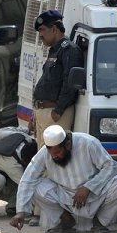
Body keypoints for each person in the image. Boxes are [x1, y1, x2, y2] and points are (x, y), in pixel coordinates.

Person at [10, 125, 117, 233]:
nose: (54, 157)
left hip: (95, 194)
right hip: (65, 197)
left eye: (57, 152)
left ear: (67, 144)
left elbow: (111, 166)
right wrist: (20, 212)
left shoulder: (88, 142)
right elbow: (27, 179)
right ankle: (65, 219)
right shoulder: (45, 153)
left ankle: (100, 222)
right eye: (51, 153)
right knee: (35, 186)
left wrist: (88, 187)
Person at [31, 10, 83, 147]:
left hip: (55, 114)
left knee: (54, 158)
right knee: (44, 161)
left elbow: (70, 83)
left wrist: (58, 110)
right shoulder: (54, 50)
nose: (40, 35)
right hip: (45, 113)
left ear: (54, 29)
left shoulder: (69, 50)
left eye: (42, 30)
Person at [0, 127, 38, 217]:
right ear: (25, 161)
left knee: (21, 177)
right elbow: (27, 186)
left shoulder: (24, 137)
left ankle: (14, 206)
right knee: (0, 179)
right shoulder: (12, 163)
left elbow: (0, 132)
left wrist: (27, 130)